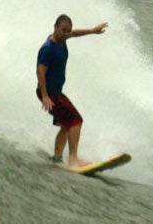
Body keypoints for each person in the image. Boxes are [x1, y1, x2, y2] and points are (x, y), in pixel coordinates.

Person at [36, 12, 107, 167]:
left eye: (68, 30)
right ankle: (73, 159)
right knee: (76, 120)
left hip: (55, 92)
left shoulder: (62, 39)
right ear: (55, 27)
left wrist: (93, 31)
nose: (67, 33)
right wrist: (45, 96)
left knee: (66, 125)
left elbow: (75, 33)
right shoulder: (48, 48)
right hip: (50, 93)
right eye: (63, 30)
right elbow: (40, 71)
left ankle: (57, 158)